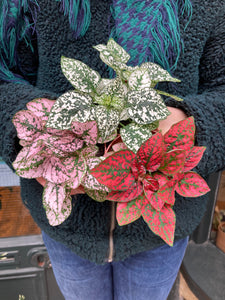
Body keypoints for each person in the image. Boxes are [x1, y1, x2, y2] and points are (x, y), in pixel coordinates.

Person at [0, 0, 225, 299]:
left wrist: (188, 127)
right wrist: (36, 132)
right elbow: (5, 75)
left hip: (159, 226)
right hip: (70, 230)